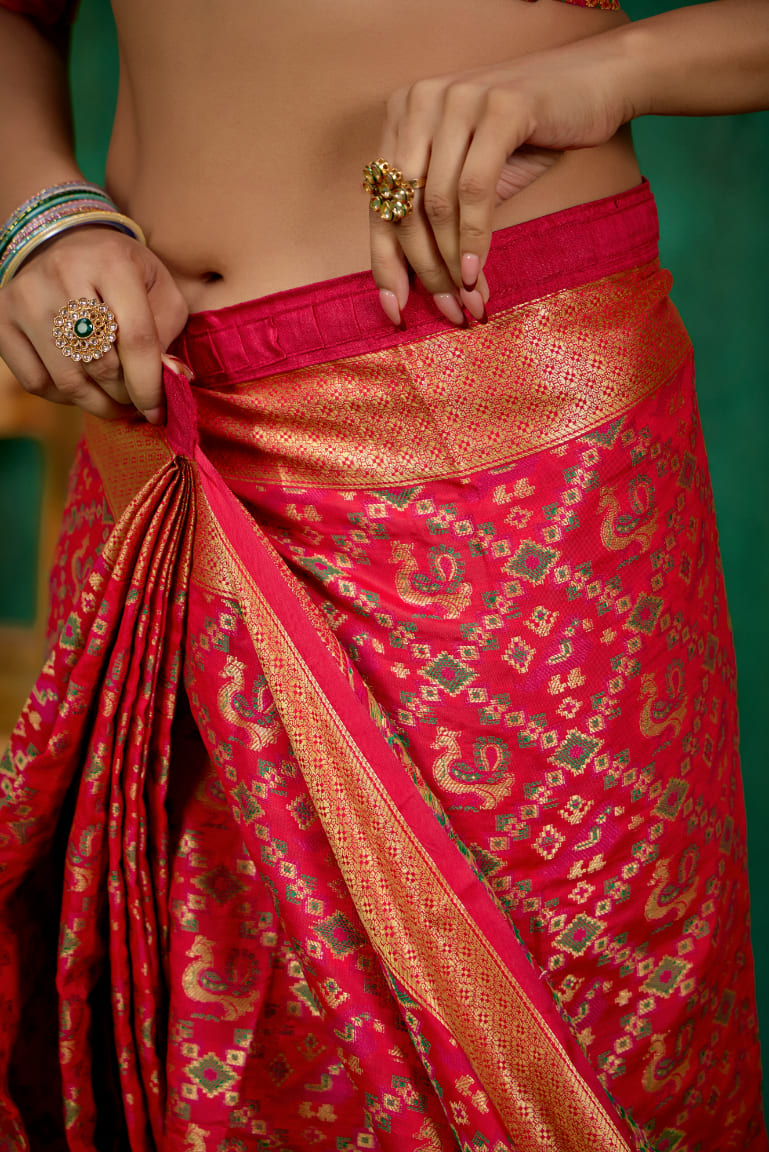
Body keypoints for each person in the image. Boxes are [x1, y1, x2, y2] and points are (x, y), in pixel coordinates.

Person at [0, 0, 767, 1147]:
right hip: (162, 424)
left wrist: (618, 65)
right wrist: (40, 214)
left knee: (579, 1040)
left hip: (512, 437)